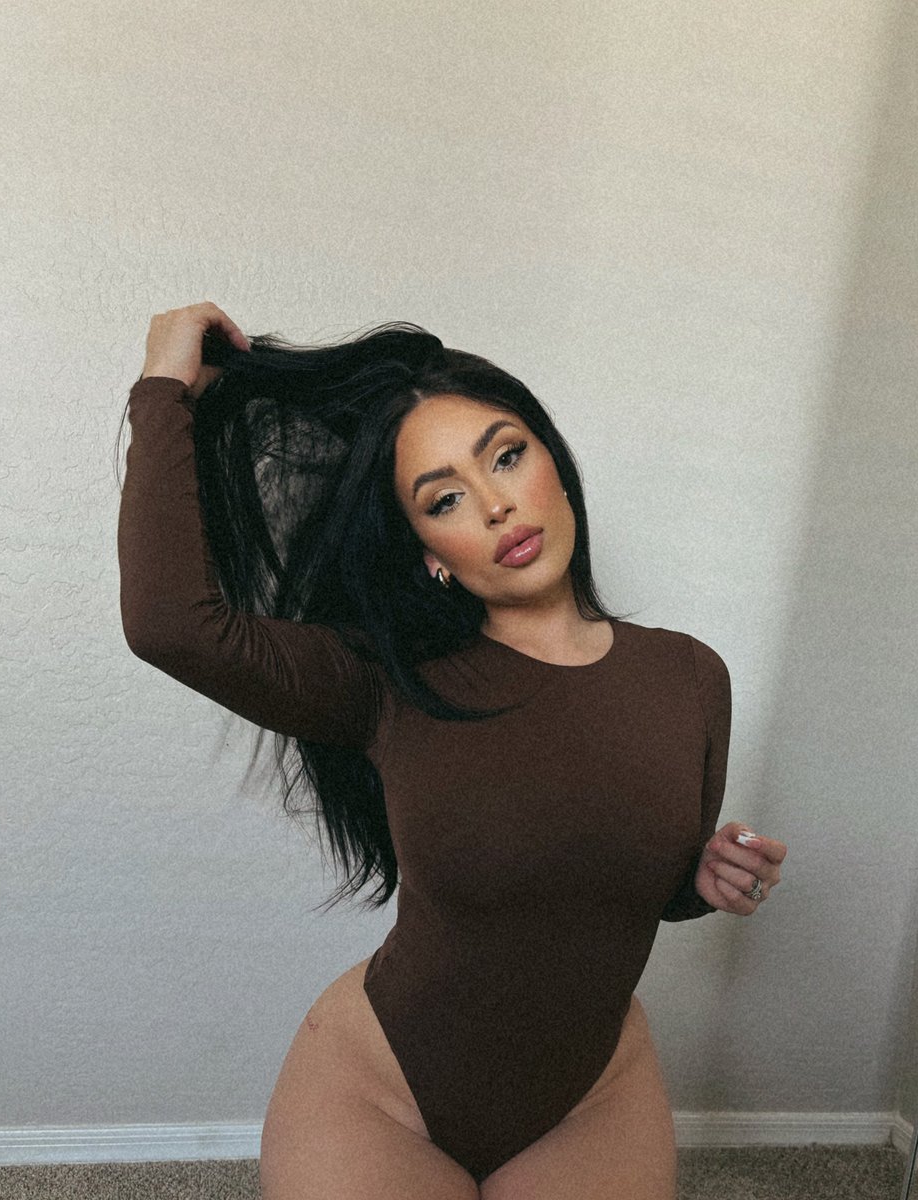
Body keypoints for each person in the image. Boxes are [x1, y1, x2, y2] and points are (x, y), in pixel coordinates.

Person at [117, 300, 787, 1200]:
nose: (497, 503)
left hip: (589, 1096)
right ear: (429, 551)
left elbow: (632, 893)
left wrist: (702, 881)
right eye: (444, 499)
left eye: (505, 456)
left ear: (553, 463)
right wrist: (163, 387)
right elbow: (170, 626)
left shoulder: (690, 676)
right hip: (381, 1093)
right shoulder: (386, 679)